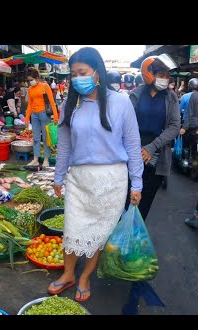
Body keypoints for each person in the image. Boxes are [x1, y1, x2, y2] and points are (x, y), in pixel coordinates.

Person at [49, 47, 143, 302]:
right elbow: (65, 146)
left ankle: (84, 277)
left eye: (82, 72)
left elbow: (133, 145)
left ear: (97, 73)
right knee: (72, 229)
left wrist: (137, 183)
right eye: (74, 74)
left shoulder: (121, 102)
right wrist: (58, 177)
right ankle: (68, 274)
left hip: (111, 182)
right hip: (79, 180)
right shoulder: (70, 106)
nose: (77, 78)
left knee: (98, 235)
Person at [128, 53, 181, 219]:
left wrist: (152, 147)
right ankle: (122, 236)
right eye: (161, 75)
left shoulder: (171, 97)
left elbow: (174, 127)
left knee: (144, 204)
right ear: (149, 74)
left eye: (167, 76)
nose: (166, 79)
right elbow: (126, 125)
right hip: (132, 154)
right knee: (127, 200)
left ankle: (136, 236)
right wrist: (136, 149)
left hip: (157, 156)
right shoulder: (136, 95)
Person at [24, 67, 58, 167]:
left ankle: (46, 159)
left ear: (37, 78)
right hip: (34, 115)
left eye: (32, 79)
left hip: (44, 114)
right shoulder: (30, 89)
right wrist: (26, 118)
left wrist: (55, 116)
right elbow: (29, 105)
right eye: (29, 80)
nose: (31, 82)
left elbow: (52, 102)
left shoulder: (45, 86)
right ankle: (36, 159)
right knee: (36, 138)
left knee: (46, 137)